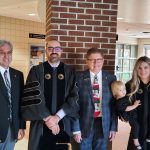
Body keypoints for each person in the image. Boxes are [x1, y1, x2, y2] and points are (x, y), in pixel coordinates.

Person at [21, 40, 79, 150]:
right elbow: (33, 97)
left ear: (61, 51)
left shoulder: (69, 72)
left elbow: (74, 97)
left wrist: (57, 117)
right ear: (46, 51)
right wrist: (49, 119)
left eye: (57, 48)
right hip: (40, 123)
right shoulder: (36, 71)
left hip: (63, 121)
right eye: (50, 48)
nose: (54, 51)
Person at [72, 48, 118, 150]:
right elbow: (74, 105)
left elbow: (114, 105)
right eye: (92, 60)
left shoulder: (111, 78)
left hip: (104, 124)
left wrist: (113, 127)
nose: (96, 62)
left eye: (99, 59)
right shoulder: (78, 78)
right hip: (84, 124)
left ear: (103, 60)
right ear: (86, 61)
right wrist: (76, 129)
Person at [0, 40, 25, 150]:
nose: (6, 56)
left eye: (9, 52)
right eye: (2, 52)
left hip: (12, 129)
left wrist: (21, 126)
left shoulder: (18, 75)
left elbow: (21, 102)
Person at [126, 56, 150, 150]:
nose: (142, 70)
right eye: (139, 68)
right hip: (137, 128)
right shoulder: (130, 86)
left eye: (145, 67)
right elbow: (123, 106)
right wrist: (131, 119)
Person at [111, 80, 142, 150]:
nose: (123, 91)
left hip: (132, 114)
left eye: (124, 89)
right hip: (129, 116)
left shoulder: (123, 97)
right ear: (115, 92)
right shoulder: (118, 102)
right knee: (136, 126)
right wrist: (135, 105)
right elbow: (127, 108)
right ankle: (135, 141)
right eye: (120, 90)